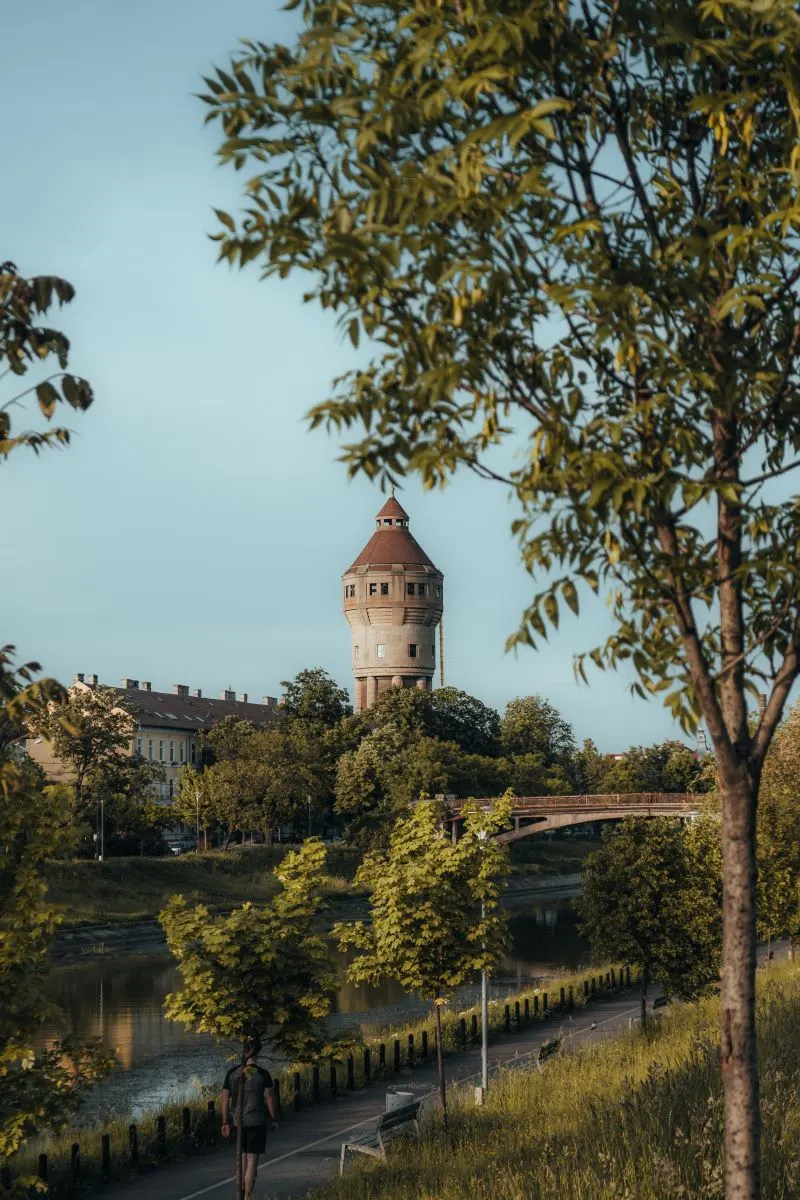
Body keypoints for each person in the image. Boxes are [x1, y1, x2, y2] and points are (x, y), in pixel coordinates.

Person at [221, 1037, 278, 1200]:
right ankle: (248, 1196)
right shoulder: (262, 1074)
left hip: (237, 1122)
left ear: (243, 1051)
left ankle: (241, 1191)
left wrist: (225, 1121)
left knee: (243, 1157)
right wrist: (273, 1119)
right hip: (256, 1121)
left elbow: (224, 1099)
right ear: (257, 1053)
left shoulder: (232, 1073)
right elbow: (269, 1099)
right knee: (252, 1160)